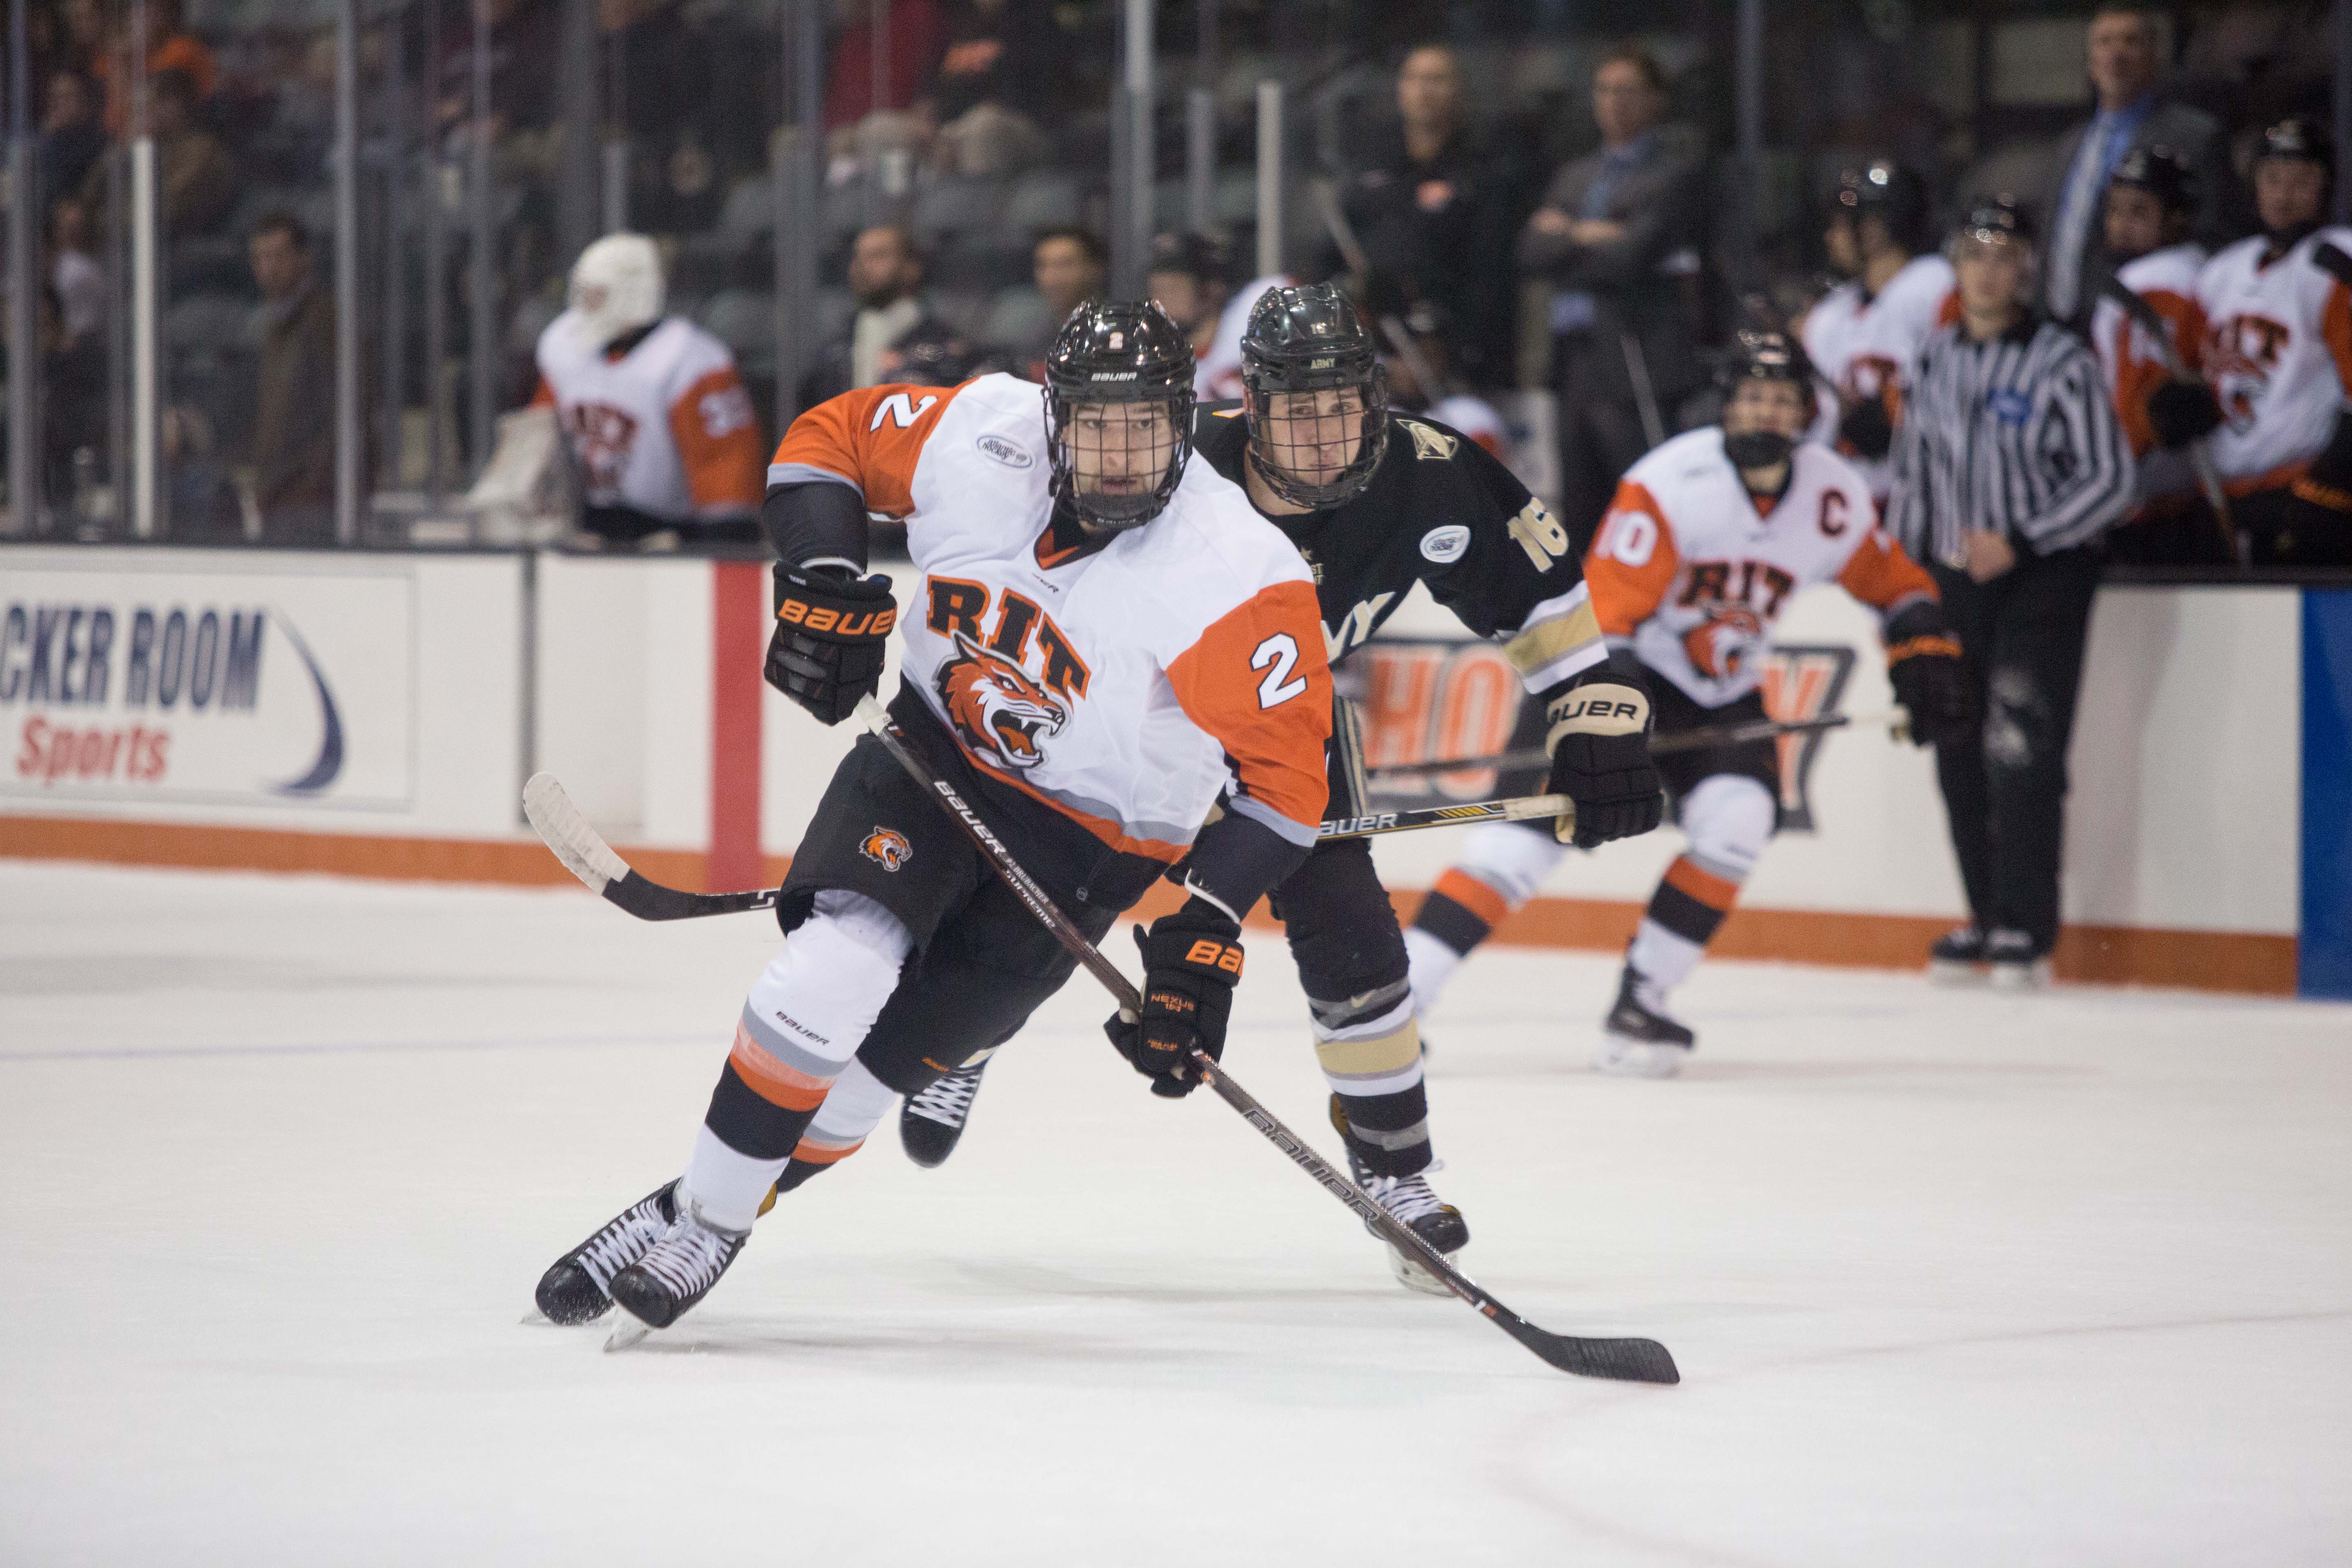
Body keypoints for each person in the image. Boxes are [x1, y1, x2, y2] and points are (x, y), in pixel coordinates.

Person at [532, 301, 1339, 1336]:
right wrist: (822, 574)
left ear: (1186, 423)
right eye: (1098, 426)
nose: (1124, 456)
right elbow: (821, 444)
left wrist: (1205, 923)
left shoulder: (1236, 572)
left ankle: (687, 1204)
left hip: (1091, 848)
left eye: (1148, 429)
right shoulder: (983, 434)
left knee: (869, 1081)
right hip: (927, 752)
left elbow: (1286, 786)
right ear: (1053, 417)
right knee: (839, 961)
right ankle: (713, 1223)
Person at [892, 284, 1665, 1286]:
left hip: (1282, 726)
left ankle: (1399, 1174)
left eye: (1337, 404)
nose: (1317, 432)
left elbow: (1545, 599)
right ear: (1246, 405)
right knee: (1054, 911)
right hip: (1132, 721)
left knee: (1354, 932)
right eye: (1292, 408)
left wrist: (1589, 706)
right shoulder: (1172, 466)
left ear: (1373, 402)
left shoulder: (1429, 476)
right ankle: (963, 1038)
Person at [1405, 333, 1972, 1075]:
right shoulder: (1673, 480)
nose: (1763, 412)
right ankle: (1399, 1003)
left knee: (1739, 820)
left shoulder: (1831, 494)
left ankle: (1646, 1001)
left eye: (1780, 398)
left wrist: (1920, 642)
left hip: (1720, 695)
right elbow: (1607, 614)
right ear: (1726, 406)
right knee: (1523, 844)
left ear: (1805, 412)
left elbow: (1891, 580)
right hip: (1602, 677)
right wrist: (1618, 707)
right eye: (1750, 396)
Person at [1886, 200, 2136, 987]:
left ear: (2025, 268)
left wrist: (2020, 539)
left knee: (2021, 745)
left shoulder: (2061, 359)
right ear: (1955, 267)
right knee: (1955, 742)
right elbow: (1913, 479)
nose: (1989, 270)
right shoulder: (1932, 358)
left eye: (2005, 255)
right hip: (1954, 578)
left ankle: (2028, 927)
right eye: (1975, 254)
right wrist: (1906, 588)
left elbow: (2111, 478)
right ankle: (1985, 916)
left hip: (2042, 575)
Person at [1519, 46, 1711, 550]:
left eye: (1627, 91)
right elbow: (1533, 251)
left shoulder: (1672, 173)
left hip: (1633, 355)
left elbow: (1630, 258)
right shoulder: (1575, 175)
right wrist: (1593, 235)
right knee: (1578, 503)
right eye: (1605, 91)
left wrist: (1569, 235)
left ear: (1655, 100)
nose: (1614, 103)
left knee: (1640, 500)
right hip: (1573, 358)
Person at [2167, 118, 2352, 567]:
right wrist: (2171, 406)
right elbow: (2185, 369)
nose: (2284, 195)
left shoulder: (2336, 260)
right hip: (2219, 498)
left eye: (2301, 180)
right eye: (2272, 179)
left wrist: (2334, 477)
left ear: (2326, 187)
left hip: (2302, 494)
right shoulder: (2220, 273)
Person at [531, 233, 766, 550]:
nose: (586, 307)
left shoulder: (691, 360)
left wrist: (717, 546)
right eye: (584, 294)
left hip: (670, 535)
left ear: (633, 295)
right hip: (586, 527)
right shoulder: (563, 345)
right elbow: (536, 442)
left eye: (598, 296)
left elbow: (726, 475)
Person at [1323, 43, 1521, 390]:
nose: (1424, 90)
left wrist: (1453, 351)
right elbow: (1334, 251)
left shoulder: (1483, 169)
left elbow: (1492, 274)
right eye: (1414, 79)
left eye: (1436, 80)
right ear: (1400, 90)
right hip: (1372, 349)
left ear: (1459, 91)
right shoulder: (1373, 163)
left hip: (1455, 361)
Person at [2038, 3, 2232, 330]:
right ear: (2090, 63)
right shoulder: (2069, 145)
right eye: (2105, 42)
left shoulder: (2196, 137)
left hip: (2146, 328)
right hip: (2060, 331)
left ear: (2154, 57)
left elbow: (2216, 239)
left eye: (2130, 42)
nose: (2117, 54)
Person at [2087, 145, 2218, 563]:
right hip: (2172, 496)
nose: (2121, 225)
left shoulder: (2157, 281)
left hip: (2152, 503)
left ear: (2176, 218)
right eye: (2116, 210)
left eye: (2139, 212)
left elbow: (2138, 405)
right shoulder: (2192, 271)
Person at [1800, 160, 1955, 505]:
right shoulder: (1831, 313)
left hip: (1928, 495)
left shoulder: (1935, 287)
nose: (1832, 237)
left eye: (1842, 224)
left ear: (1874, 230)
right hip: (1848, 498)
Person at [246, 210, 343, 543]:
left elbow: (345, 406)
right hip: (279, 494)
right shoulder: (271, 326)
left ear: (303, 259)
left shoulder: (325, 318)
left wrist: (318, 481)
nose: (268, 268)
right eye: (260, 258)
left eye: (278, 256)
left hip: (312, 499)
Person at [798, 225, 946, 408]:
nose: (863, 266)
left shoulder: (941, 348)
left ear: (912, 267)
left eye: (879, 256)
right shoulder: (834, 353)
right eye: (858, 257)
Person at [1145, 230, 1229, 395]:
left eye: (1173, 288)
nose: (1160, 302)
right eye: (1156, 290)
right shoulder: (1154, 362)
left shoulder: (1240, 357)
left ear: (1213, 290)